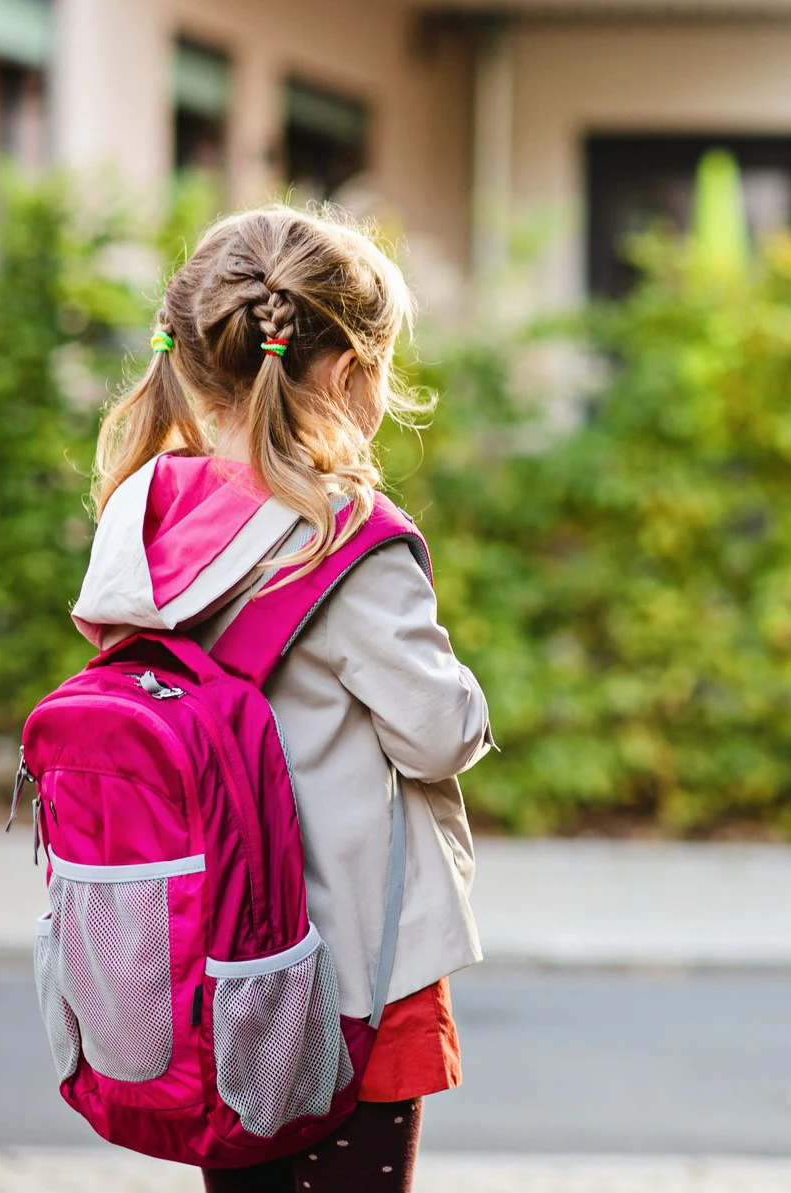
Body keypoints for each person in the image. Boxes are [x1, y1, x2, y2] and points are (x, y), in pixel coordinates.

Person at [77, 205, 490, 1193]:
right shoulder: (342, 537)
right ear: (351, 372)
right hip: (349, 967)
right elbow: (439, 735)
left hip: (206, 960)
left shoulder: (143, 511)